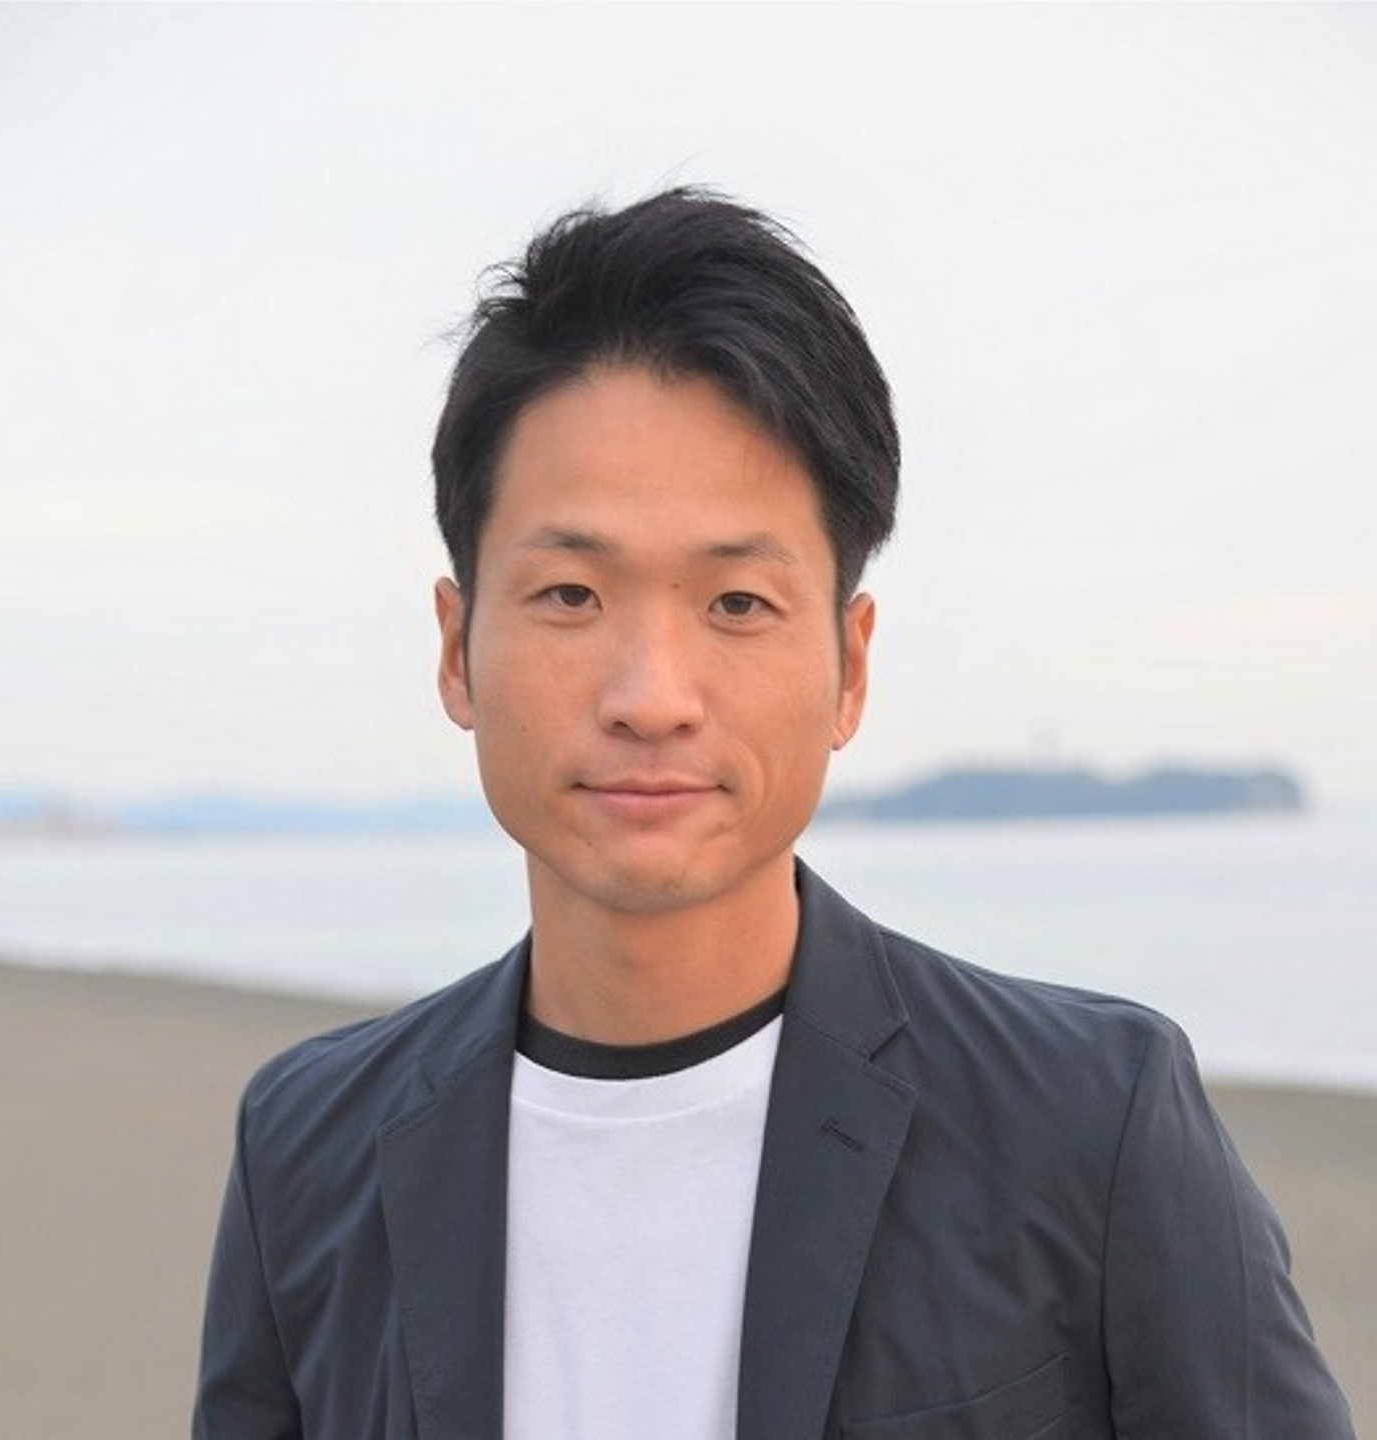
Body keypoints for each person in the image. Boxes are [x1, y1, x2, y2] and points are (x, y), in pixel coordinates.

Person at [193, 189, 1354, 1439]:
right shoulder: (307, 1148)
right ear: (456, 649)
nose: (652, 698)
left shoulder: (1092, 1122)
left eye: (737, 604)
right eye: (571, 594)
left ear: (850, 667)